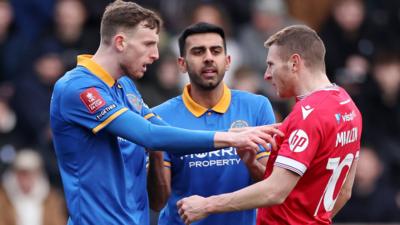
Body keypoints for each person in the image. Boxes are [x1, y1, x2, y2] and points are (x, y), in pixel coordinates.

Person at [49, 1, 281, 225]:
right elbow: (149, 134)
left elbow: (160, 127)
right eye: (148, 44)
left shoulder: (125, 86)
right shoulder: (78, 88)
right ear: (120, 42)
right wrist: (230, 137)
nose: (155, 55)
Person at [177, 24, 363, 225]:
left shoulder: (309, 115)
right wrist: (253, 164)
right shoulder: (348, 106)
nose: (266, 74)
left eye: (271, 64)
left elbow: (275, 191)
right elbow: (344, 191)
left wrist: (207, 205)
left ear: (294, 63)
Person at [147, 22, 276, 225]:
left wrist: (251, 163)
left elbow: (272, 189)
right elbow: (157, 201)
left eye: (215, 51)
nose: (208, 57)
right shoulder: (159, 118)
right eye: (198, 52)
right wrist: (154, 146)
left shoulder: (257, 106)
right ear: (182, 64)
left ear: (227, 61)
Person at [0, 149, 67, 225]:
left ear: (38, 174)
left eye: (30, 173)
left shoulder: (52, 199)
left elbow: (58, 221)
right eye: (22, 173)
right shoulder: (3, 198)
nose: (26, 178)